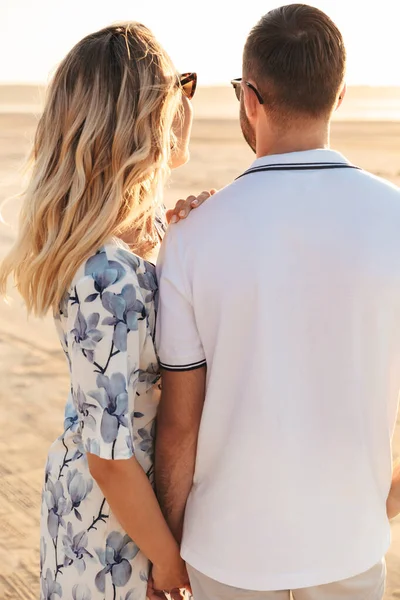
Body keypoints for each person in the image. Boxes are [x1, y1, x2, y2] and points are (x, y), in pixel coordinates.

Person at [155, 4, 400, 599]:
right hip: (349, 547)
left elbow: (180, 425)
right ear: (338, 97)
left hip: (226, 556)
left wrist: (172, 549)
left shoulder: (191, 236)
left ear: (250, 99)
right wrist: (378, 508)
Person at [0, 22, 212, 600]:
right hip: (116, 536)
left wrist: (172, 238)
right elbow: (112, 460)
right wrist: (168, 565)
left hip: (96, 517)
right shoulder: (107, 276)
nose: (187, 105)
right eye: (179, 89)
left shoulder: (119, 252)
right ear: (144, 117)